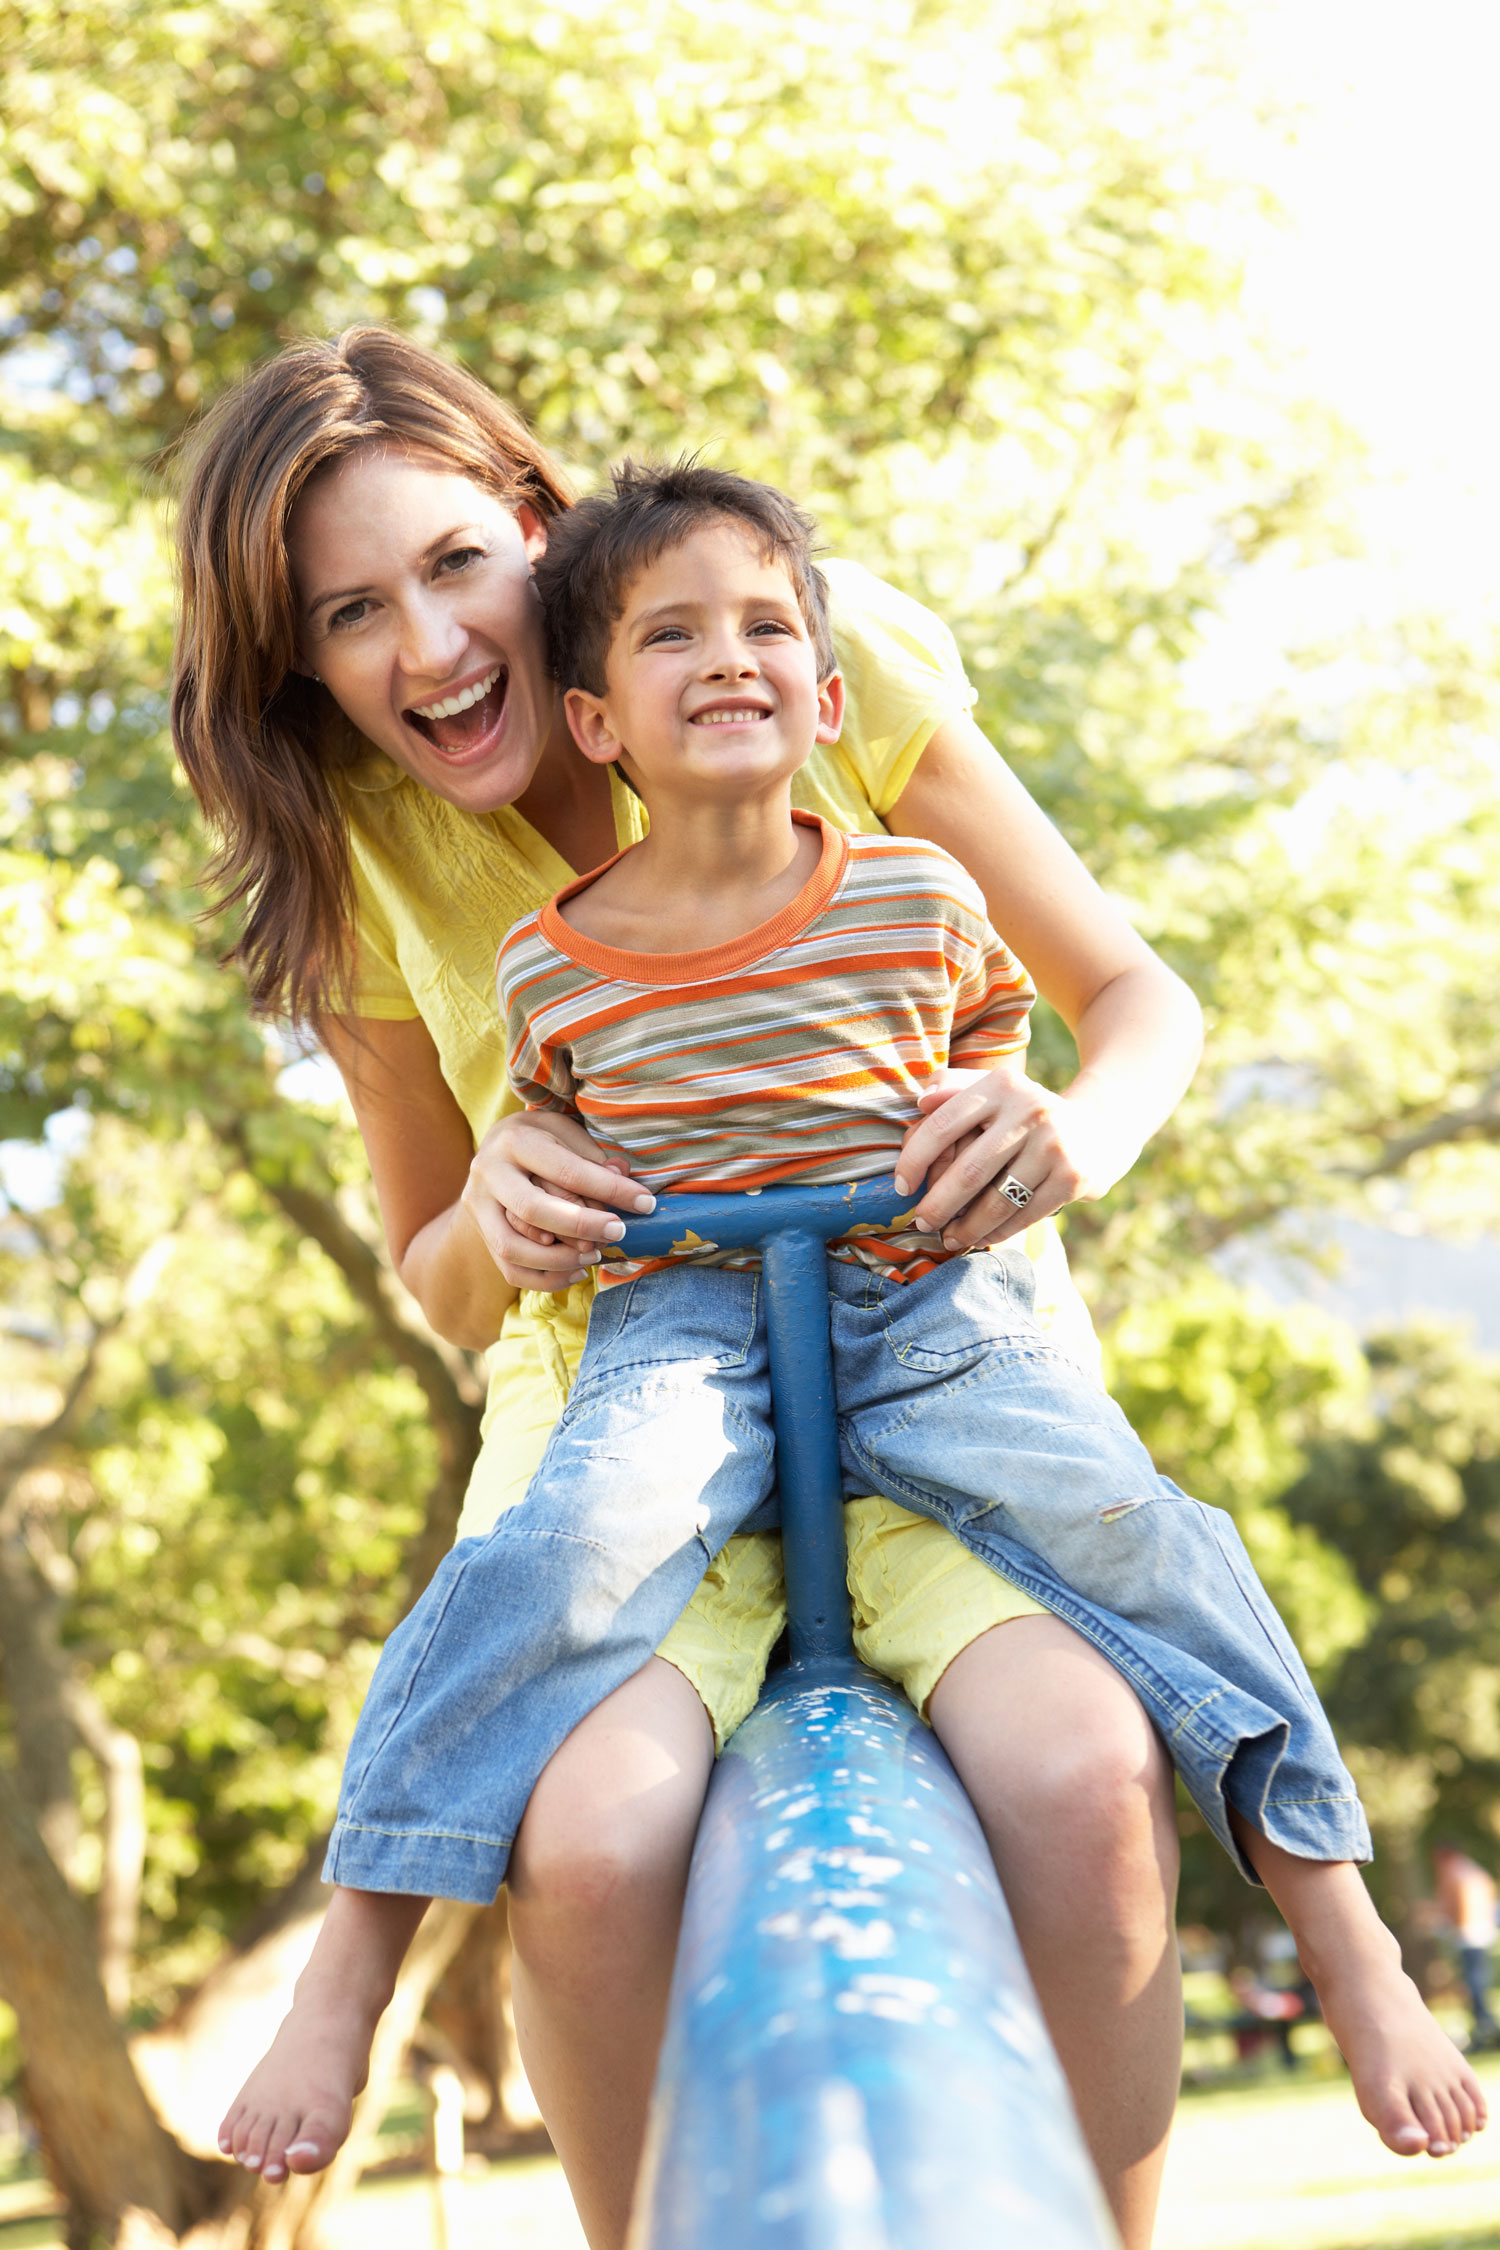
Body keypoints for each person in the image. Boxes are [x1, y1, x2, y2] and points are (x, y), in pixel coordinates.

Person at [164, 327, 1429, 2250]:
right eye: (351, 615)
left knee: (1085, 1776)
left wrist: (1071, 1129)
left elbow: (1125, 1000)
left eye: (454, 565)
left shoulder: (788, 655)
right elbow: (439, 1277)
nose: (426, 646)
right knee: (593, 1848)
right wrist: (491, 1209)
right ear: (302, 669)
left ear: (535, 524)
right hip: (631, 1376)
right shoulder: (370, 855)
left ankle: (1209, 2111)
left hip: (929, 1325)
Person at [1433, 1844, 1500, 2050]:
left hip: (1466, 1936)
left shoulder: (1456, 1874)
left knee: (1473, 1985)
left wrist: (1447, 1927)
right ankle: (1485, 2025)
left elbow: (1454, 1907)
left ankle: (1485, 2027)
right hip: (1481, 1933)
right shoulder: (1476, 1872)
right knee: (1476, 1983)